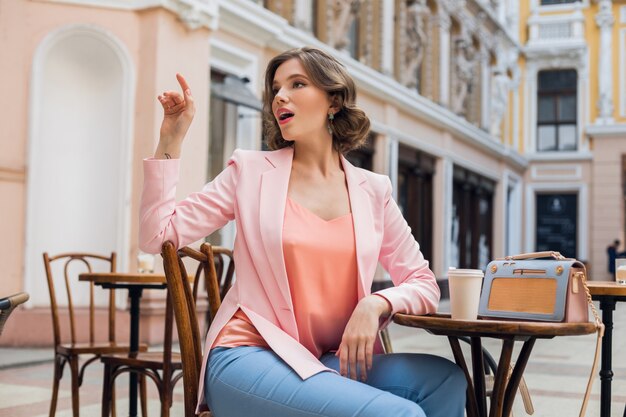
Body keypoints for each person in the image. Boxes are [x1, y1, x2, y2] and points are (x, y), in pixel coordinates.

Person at [139, 46, 466, 417]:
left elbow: (423, 282)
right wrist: (171, 138)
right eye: (276, 88)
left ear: (334, 102)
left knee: (448, 381)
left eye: (297, 84)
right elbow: (157, 235)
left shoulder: (373, 191)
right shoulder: (250, 172)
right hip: (248, 356)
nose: (280, 95)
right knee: (399, 414)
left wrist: (377, 303)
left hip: (324, 361)